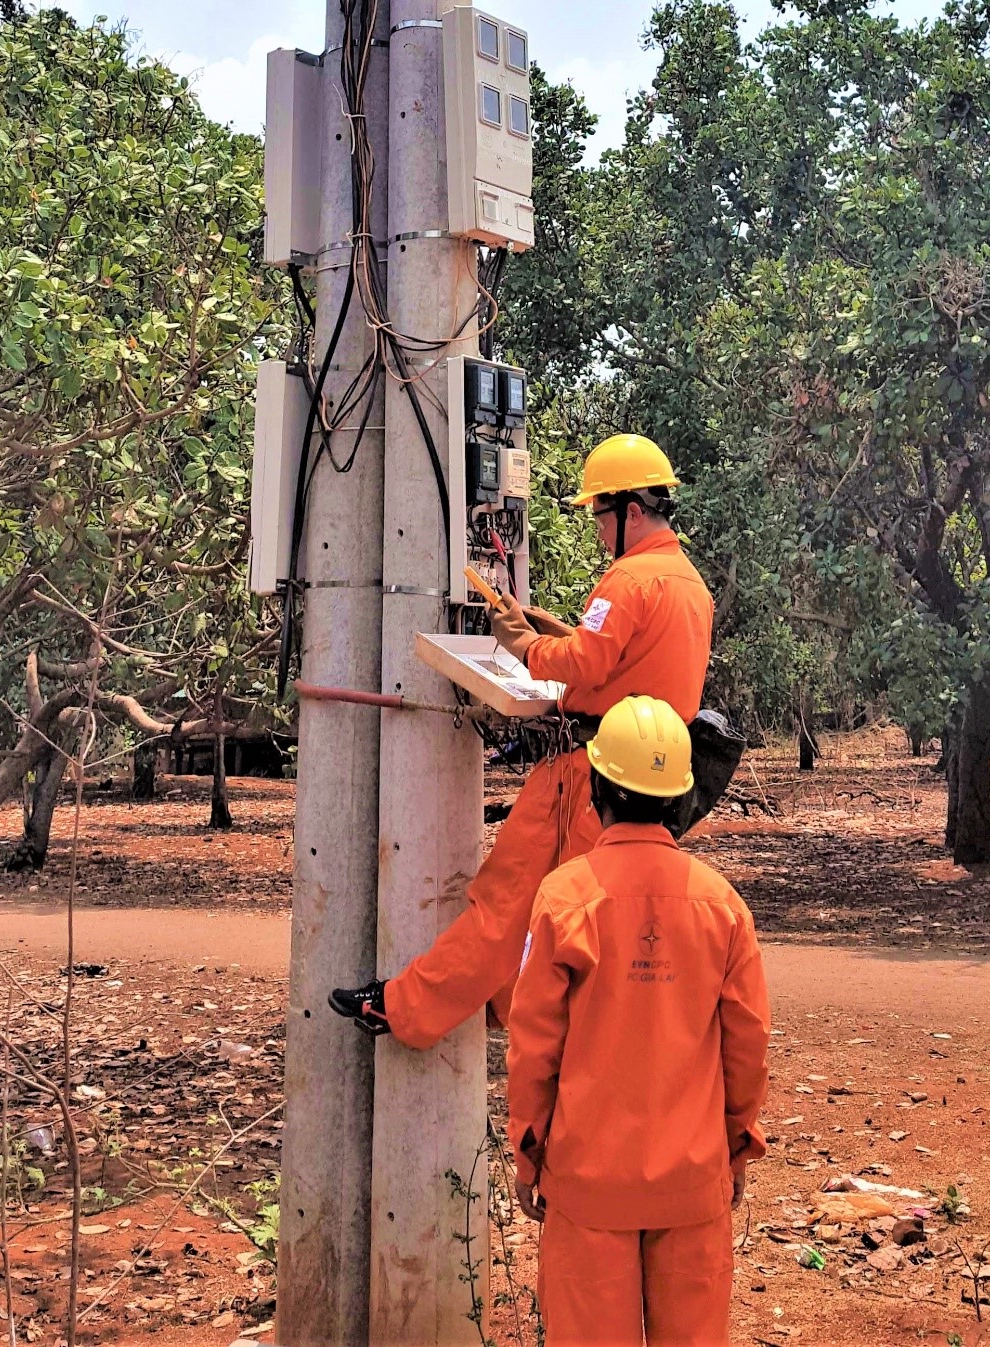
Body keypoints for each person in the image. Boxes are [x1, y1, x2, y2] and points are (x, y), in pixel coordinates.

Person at [330, 434, 714, 1046]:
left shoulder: (627, 581)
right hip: (647, 783)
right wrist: (547, 629)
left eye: (598, 514)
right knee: (571, 916)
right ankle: (504, 1010)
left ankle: (405, 1008)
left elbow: (587, 665)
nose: (595, 527)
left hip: (589, 773)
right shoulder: (688, 584)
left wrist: (523, 646)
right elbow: (629, 661)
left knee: (504, 904)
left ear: (631, 512)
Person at [508, 695, 770, 1346]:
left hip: (589, 1189)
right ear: (680, 796)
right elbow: (747, 1044)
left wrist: (528, 1150)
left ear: (598, 786)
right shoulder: (722, 908)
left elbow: (533, 1043)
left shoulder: (565, 899)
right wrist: (736, 1147)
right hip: (691, 1189)